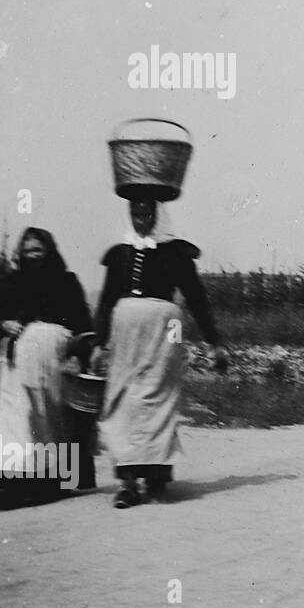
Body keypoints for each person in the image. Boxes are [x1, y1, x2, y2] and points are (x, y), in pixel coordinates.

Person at [93, 199, 227, 507]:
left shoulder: (177, 253)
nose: (141, 221)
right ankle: (127, 481)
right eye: (135, 214)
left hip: (165, 330)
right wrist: (99, 344)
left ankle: (155, 471)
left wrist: (213, 341)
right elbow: (106, 300)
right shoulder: (119, 254)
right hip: (125, 332)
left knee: (157, 397)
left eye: (147, 214)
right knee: (123, 399)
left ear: (158, 214)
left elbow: (195, 297)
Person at [0, 228, 91, 501]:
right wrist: (6, 322)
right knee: (15, 413)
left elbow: (83, 324)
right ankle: (11, 474)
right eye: (28, 251)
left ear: (49, 250)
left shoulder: (66, 281)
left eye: (38, 250)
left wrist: (79, 355)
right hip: (16, 357)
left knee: (46, 413)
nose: (33, 256)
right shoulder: (13, 281)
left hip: (51, 351)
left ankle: (53, 478)